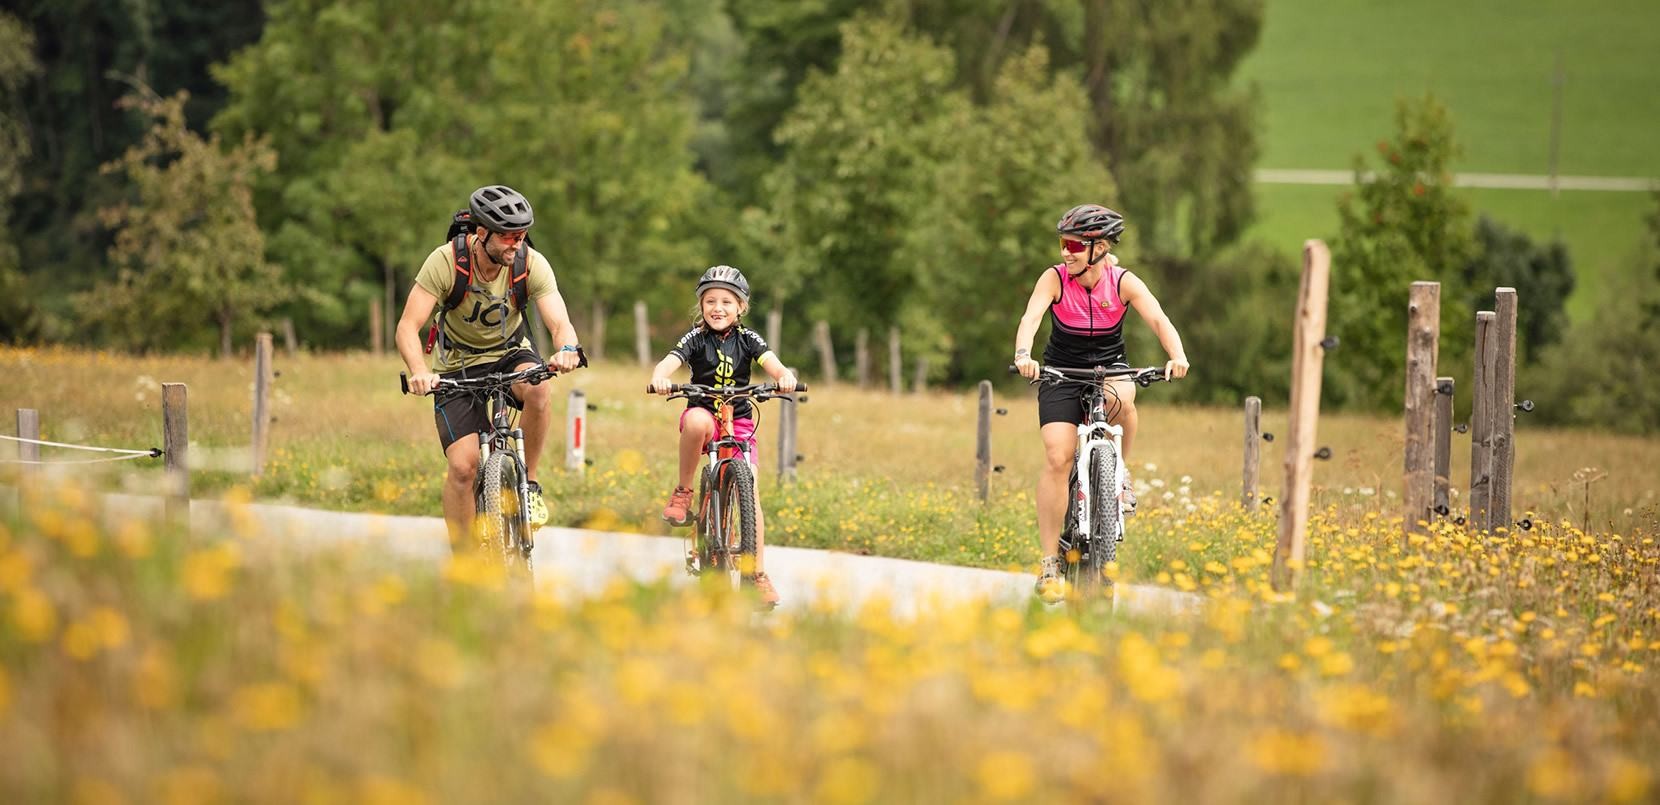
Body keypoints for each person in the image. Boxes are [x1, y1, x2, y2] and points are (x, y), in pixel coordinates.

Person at [1012, 204, 1190, 602]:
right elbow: (1031, 317)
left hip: (1110, 367)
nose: (1066, 252)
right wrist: (1025, 355)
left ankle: (1118, 474)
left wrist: (1177, 356)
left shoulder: (1123, 281)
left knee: (1124, 400)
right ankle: (1049, 565)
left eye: (1075, 244)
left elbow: (1159, 319)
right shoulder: (1054, 279)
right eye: (1063, 243)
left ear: (1100, 247)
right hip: (1060, 371)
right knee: (1058, 457)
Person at [395, 185, 584, 550]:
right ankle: (464, 561)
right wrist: (419, 369)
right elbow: (407, 326)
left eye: (522, 235)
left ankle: (528, 485)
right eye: (509, 236)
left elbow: (559, 322)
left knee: (540, 388)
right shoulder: (446, 261)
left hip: (510, 353)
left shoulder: (530, 263)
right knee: (463, 468)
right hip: (455, 367)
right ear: (482, 233)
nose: (517, 243)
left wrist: (567, 349)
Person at [649, 265, 798, 607]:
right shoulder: (695, 338)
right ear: (701, 306)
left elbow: (772, 363)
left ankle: (756, 574)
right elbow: (670, 361)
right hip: (705, 417)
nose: (718, 308)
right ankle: (684, 491)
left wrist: (784, 375)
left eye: (727, 302)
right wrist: (660, 376)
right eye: (710, 301)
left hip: (740, 423)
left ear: (741, 307)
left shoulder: (749, 339)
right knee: (698, 421)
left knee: (752, 488)